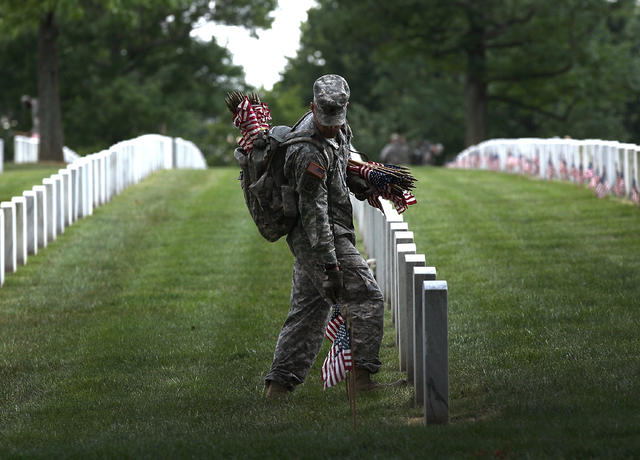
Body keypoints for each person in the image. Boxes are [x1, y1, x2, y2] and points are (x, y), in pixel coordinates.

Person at [264, 74, 385, 397]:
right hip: (319, 238)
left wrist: (363, 184)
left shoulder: (339, 127)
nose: (331, 125)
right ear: (312, 107)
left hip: (330, 231)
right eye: (325, 118)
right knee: (366, 297)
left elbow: (341, 166)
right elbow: (314, 212)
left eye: (337, 118)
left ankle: (278, 386)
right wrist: (330, 266)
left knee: (307, 311)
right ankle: (361, 380)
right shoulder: (307, 150)